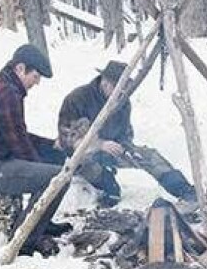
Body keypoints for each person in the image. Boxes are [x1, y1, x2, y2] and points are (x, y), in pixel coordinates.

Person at [0, 44, 70, 256]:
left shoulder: (6, 87)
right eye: (35, 76)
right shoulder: (7, 93)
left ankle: (40, 222)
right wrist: (49, 170)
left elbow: (16, 133)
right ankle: (24, 241)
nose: (36, 82)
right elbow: (20, 145)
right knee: (57, 177)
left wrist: (50, 147)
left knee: (54, 166)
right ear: (20, 68)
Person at [57, 60, 197, 207]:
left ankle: (183, 189)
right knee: (93, 170)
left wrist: (126, 148)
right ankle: (108, 186)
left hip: (111, 150)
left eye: (125, 88)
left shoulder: (122, 102)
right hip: (83, 153)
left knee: (150, 156)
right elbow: (68, 138)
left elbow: (125, 133)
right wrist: (99, 145)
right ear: (105, 83)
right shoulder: (77, 98)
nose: (123, 92)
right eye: (119, 87)